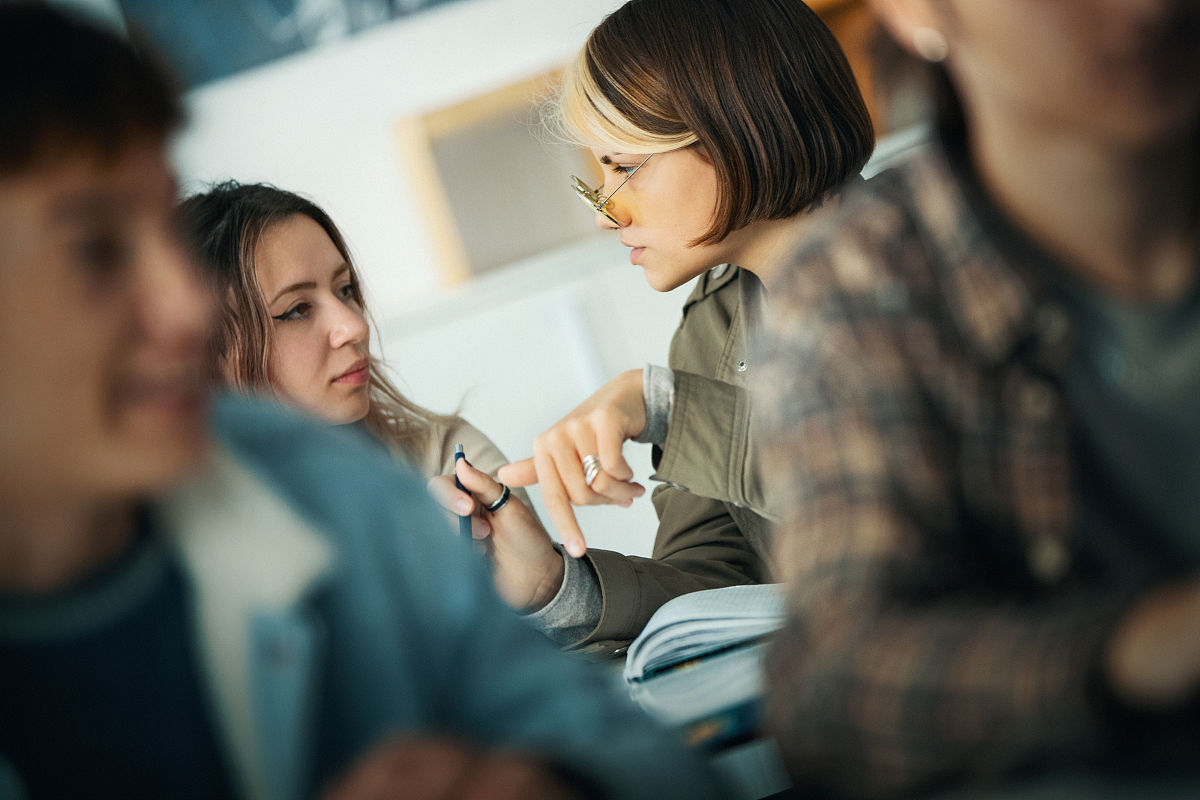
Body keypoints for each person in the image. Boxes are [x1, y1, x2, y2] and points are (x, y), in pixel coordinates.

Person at [0, 5, 726, 799]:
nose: (185, 306)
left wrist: (542, 775)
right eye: (96, 250)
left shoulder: (351, 493)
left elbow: (645, 754)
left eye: (346, 291)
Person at [753, 0, 1200, 796]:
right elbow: (833, 688)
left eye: (626, 167)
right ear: (915, 10)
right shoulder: (862, 285)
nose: (1149, 8)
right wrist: (1144, 647)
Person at [443, 0, 874, 652]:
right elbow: (722, 587)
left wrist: (670, 408)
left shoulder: (936, 254)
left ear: (736, 129)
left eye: (623, 166)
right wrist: (557, 585)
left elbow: (922, 492)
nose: (606, 214)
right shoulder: (710, 326)